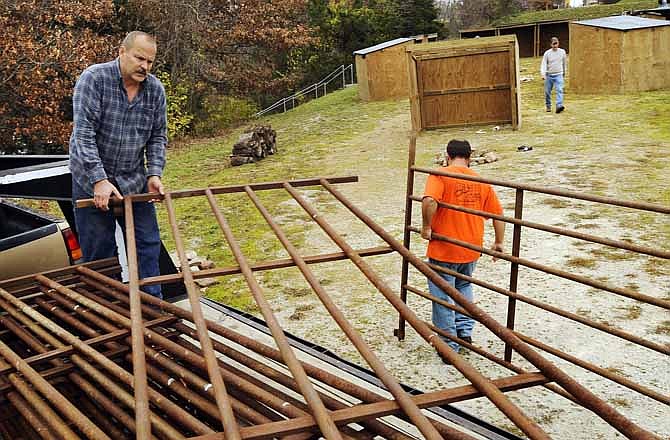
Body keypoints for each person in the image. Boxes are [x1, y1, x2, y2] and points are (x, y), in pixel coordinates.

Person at [69, 31, 167, 298]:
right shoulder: (94, 79)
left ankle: (152, 310)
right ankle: (107, 312)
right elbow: (83, 133)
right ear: (122, 52)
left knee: (147, 244)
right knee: (100, 252)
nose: (144, 66)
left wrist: (154, 174)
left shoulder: (155, 90)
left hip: (132, 179)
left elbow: (158, 136)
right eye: (139, 58)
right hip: (91, 179)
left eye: (149, 61)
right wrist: (99, 179)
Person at [421, 140, 505, 360]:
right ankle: (464, 333)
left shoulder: (440, 174)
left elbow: (429, 201)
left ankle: (449, 345)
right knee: (464, 286)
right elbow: (498, 215)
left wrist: (427, 226)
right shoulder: (480, 181)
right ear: (469, 156)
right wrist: (498, 242)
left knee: (442, 293)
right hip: (470, 248)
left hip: (444, 248)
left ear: (448, 155)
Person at [540, 36, 567, 114]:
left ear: (558, 43)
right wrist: (543, 74)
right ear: (551, 44)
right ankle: (548, 105)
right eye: (553, 44)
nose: (555, 45)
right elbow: (544, 64)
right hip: (549, 75)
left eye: (556, 43)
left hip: (559, 74)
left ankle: (559, 105)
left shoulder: (562, 52)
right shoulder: (547, 53)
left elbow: (564, 63)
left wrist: (564, 72)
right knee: (547, 91)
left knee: (559, 90)